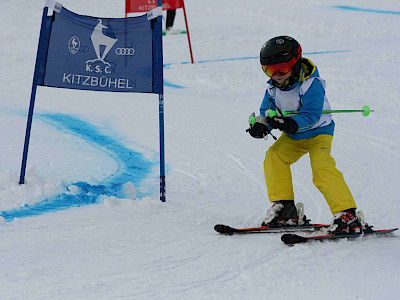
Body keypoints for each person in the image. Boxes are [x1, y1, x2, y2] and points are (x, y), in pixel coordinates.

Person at [247, 36, 363, 234]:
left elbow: (311, 115)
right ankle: (285, 208)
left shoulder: (311, 84)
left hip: (318, 134)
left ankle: (347, 214)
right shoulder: (273, 88)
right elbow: (266, 112)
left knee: (321, 168)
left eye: (281, 69)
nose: (276, 75)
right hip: (293, 137)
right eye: (269, 70)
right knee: (274, 157)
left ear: (295, 62)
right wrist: (262, 125)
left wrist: (291, 123)